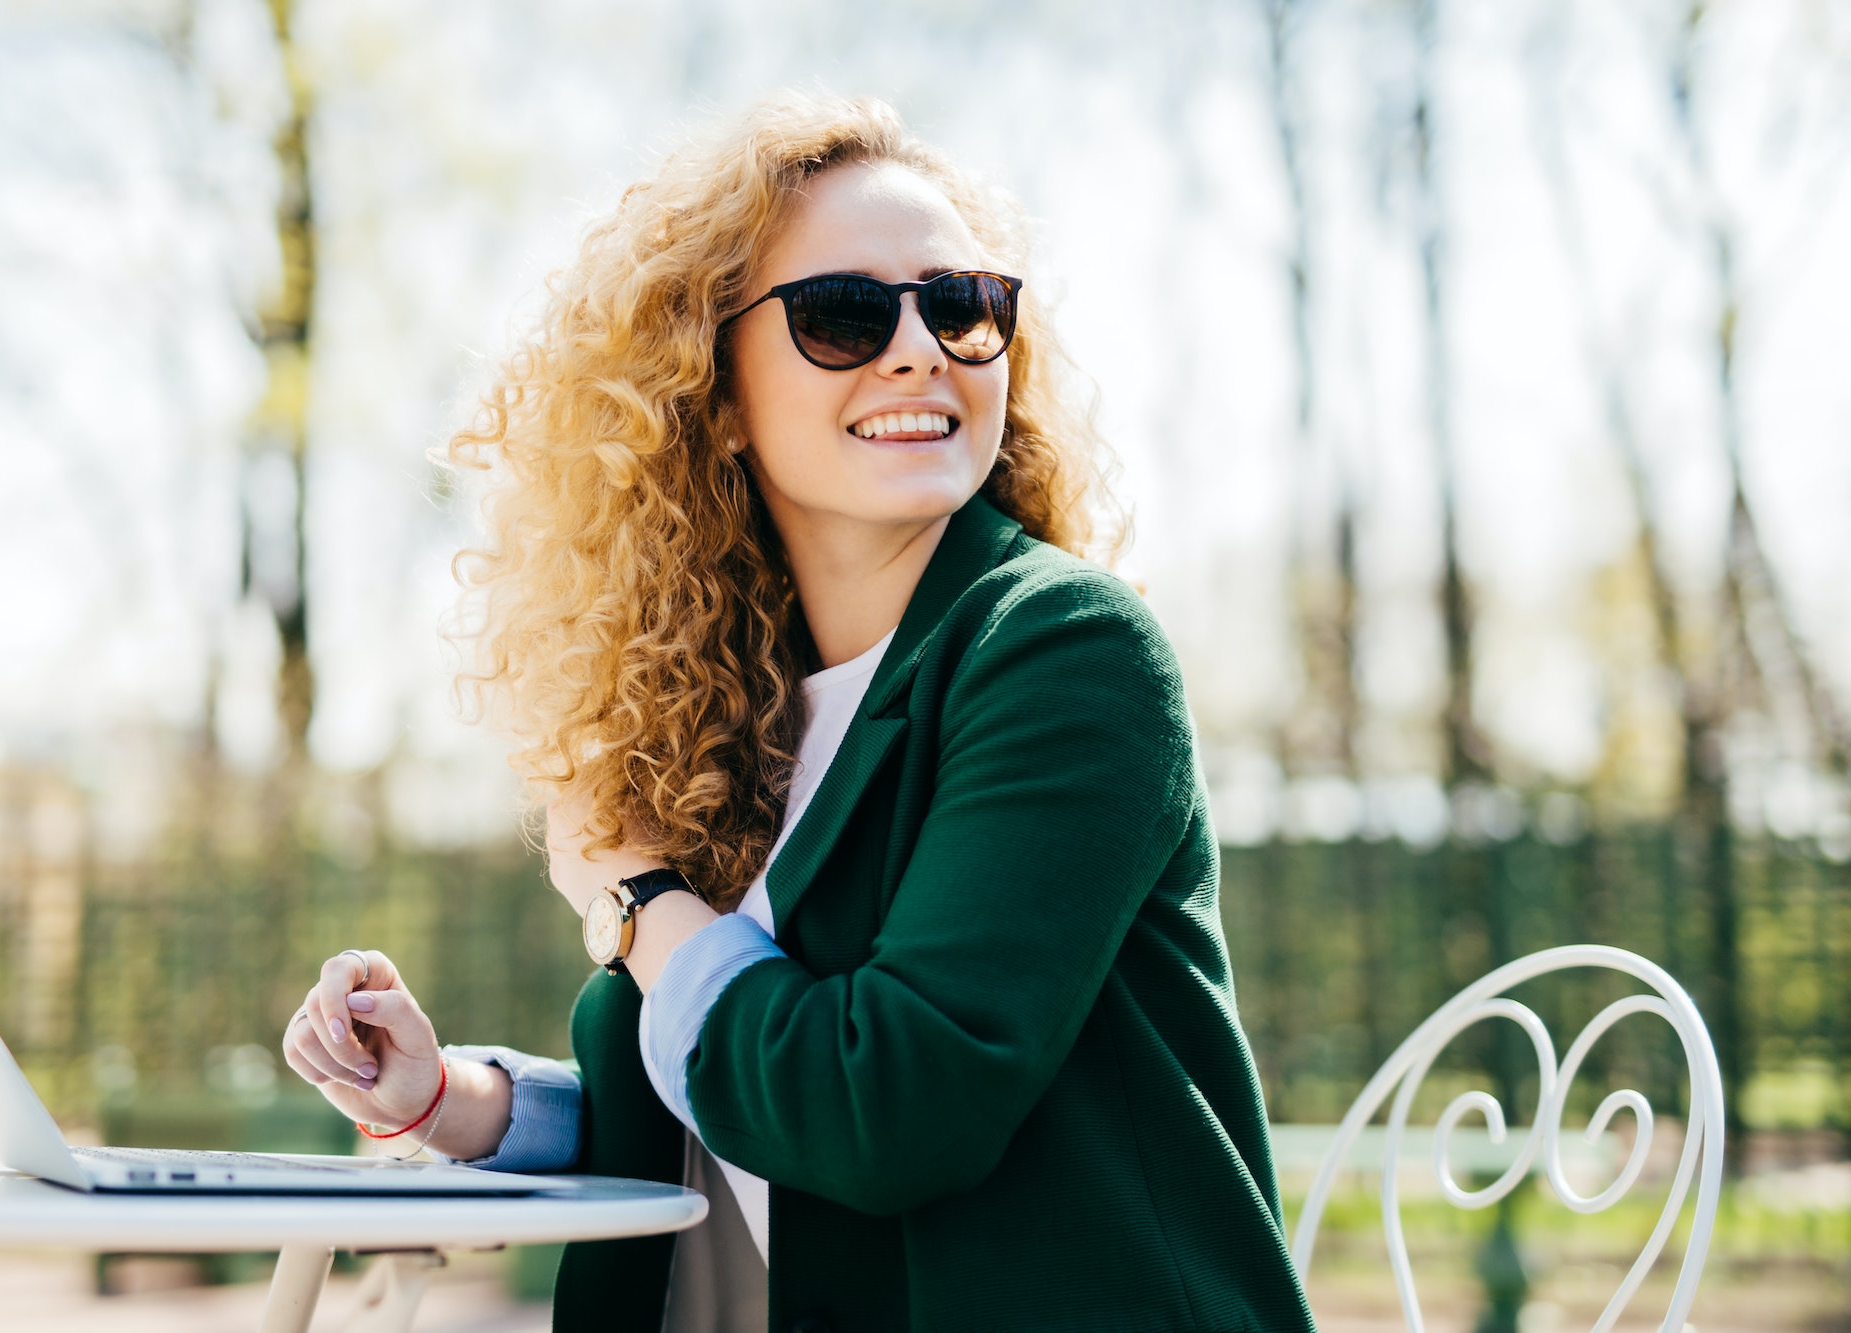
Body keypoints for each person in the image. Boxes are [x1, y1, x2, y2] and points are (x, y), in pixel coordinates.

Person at [282, 93, 1316, 1333]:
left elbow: (879, 1114)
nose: (919, 349)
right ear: (708, 390)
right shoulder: (718, 708)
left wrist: (639, 905)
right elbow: (734, 1081)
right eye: (841, 316)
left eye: (960, 306)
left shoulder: (1061, 651)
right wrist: (454, 1099)